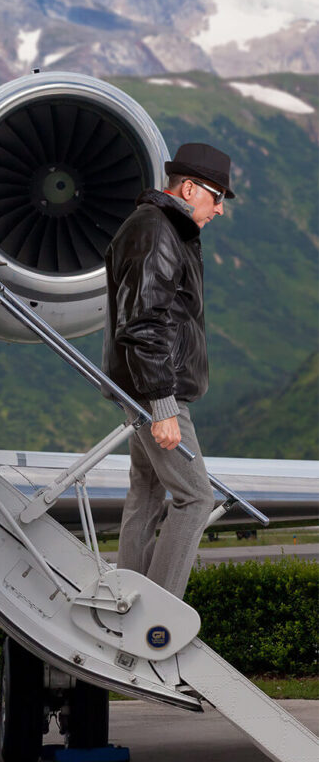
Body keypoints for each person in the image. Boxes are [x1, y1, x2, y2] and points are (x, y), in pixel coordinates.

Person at [103, 142, 235, 600]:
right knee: (196, 498)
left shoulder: (159, 227)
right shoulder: (157, 230)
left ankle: (129, 603)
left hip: (143, 387)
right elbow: (143, 323)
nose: (220, 209)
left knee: (146, 491)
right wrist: (162, 406)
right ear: (190, 188)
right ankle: (159, 615)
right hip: (157, 391)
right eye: (217, 197)